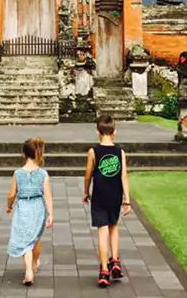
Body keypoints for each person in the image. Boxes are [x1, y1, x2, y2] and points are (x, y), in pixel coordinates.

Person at [83, 114, 132, 288]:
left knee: (102, 231)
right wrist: (127, 200)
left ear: (97, 132)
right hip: (115, 195)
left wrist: (85, 192)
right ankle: (116, 261)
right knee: (114, 227)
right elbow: (123, 176)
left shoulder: (93, 152)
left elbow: (88, 175)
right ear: (114, 132)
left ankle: (104, 270)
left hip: (100, 195)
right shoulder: (120, 151)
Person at [6, 138, 53, 286]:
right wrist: (51, 214)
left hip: (23, 206)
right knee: (35, 237)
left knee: (25, 238)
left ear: (23, 154)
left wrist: (9, 205)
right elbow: (48, 196)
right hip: (38, 207)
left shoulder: (18, 173)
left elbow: (12, 194)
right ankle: (33, 264)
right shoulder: (43, 174)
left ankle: (28, 271)